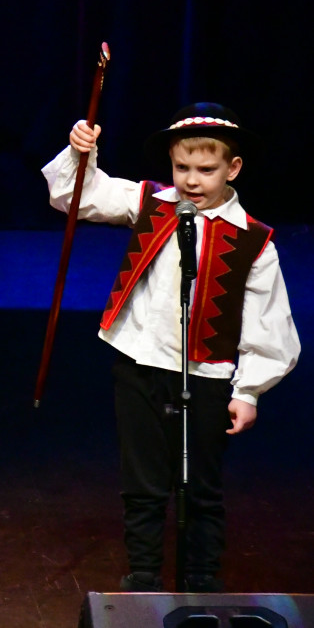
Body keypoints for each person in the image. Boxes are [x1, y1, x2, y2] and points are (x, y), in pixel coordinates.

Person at [42, 103, 300, 592]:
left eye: (206, 170)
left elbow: (269, 324)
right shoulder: (152, 203)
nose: (192, 180)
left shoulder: (253, 240)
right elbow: (76, 195)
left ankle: (201, 578)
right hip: (138, 362)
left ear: (233, 168)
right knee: (142, 480)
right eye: (182, 168)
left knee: (200, 485)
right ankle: (142, 574)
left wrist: (248, 391)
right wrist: (81, 154)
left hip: (204, 374)